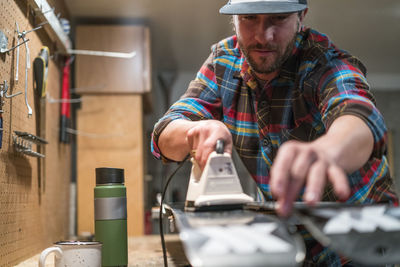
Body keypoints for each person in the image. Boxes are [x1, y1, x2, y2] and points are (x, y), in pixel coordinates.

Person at [151, 0, 399, 265]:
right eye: (250, 19)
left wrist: (329, 150)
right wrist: (197, 130)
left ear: (301, 16)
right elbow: (165, 132)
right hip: (286, 243)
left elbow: (359, 116)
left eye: (278, 19)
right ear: (233, 19)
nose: (263, 35)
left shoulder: (324, 62)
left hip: (366, 241)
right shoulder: (223, 62)